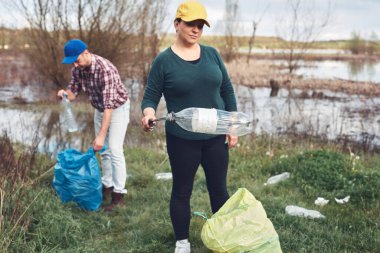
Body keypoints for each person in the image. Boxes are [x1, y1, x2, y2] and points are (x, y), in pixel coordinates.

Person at [140, 1, 238, 252]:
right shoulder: (164, 61)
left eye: (200, 25)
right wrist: (148, 113)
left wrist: (232, 124)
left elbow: (227, 90)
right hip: (182, 139)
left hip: (215, 136)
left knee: (219, 189)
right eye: (190, 24)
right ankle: (182, 242)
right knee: (182, 191)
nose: (196, 30)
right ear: (177, 24)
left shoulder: (212, 54)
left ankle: (222, 236)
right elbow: (151, 96)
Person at [57, 39, 130, 212]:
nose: (75, 64)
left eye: (77, 60)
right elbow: (73, 92)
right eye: (73, 61)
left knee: (114, 148)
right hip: (99, 108)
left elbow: (109, 107)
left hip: (117, 108)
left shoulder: (106, 69)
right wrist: (64, 94)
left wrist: (100, 136)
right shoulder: (78, 68)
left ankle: (119, 196)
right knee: (103, 150)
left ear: (86, 52)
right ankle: (107, 186)